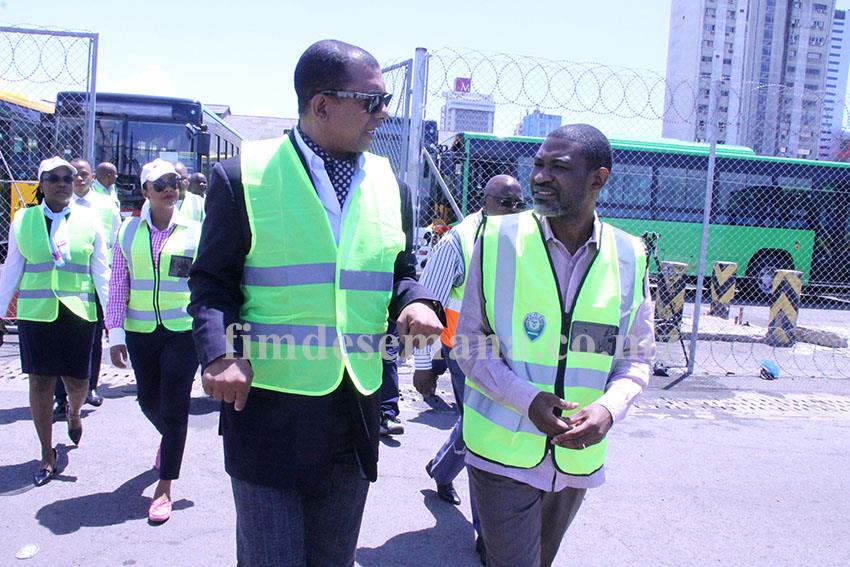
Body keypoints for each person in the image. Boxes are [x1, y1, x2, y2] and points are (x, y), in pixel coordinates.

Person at [188, 40, 443, 565]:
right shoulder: (244, 177)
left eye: (386, 99)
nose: (384, 113)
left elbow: (400, 272)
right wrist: (219, 353)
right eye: (371, 101)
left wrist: (415, 303)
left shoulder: (391, 186)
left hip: (353, 414)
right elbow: (212, 283)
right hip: (267, 413)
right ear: (322, 104)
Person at [456, 124, 656, 567]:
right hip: (501, 457)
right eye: (539, 165)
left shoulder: (630, 255)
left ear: (597, 179)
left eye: (559, 168)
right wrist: (526, 400)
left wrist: (607, 410)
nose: (541, 177)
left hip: (574, 460)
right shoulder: (495, 240)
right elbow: (469, 344)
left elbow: (638, 359)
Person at [412, 173, 526, 563]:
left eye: (518, 202)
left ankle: (442, 471)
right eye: (505, 202)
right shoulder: (457, 243)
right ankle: (486, 534)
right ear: (484, 200)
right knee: (483, 429)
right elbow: (429, 306)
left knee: (476, 424)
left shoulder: (524, 239)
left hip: (503, 354)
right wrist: (425, 365)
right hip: (463, 354)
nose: (514, 210)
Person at [0, 157, 110, 486]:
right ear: (42, 184)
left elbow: (101, 272)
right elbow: (12, 270)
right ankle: (46, 452)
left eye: (69, 177)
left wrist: (113, 320)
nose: (63, 182)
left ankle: (74, 413)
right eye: (54, 178)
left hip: (78, 314)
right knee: (40, 383)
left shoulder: (90, 220)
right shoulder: (24, 220)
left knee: (78, 383)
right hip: (37, 315)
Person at [107, 158, 202, 523]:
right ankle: (171, 440)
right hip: (141, 331)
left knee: (176, 407)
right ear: (145, 190)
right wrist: (115, 334)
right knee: (148, 400)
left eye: (174, 182)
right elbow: (118, 285)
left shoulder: (195, 231)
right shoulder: (127, 232)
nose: (169, 189)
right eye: (160, 183)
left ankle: (165, 487)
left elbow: (206, 283)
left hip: (182, 331)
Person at [53, 158, 121, 414]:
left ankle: (90, 386)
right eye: (74, 175)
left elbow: (117, 239)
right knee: (62, 339)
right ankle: (60, 395)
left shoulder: (105, 205)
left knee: (92, 337)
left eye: (83, 174)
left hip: (98, 278)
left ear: (92, 177)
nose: (79, 179)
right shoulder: (58, 203)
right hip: (68, 281)